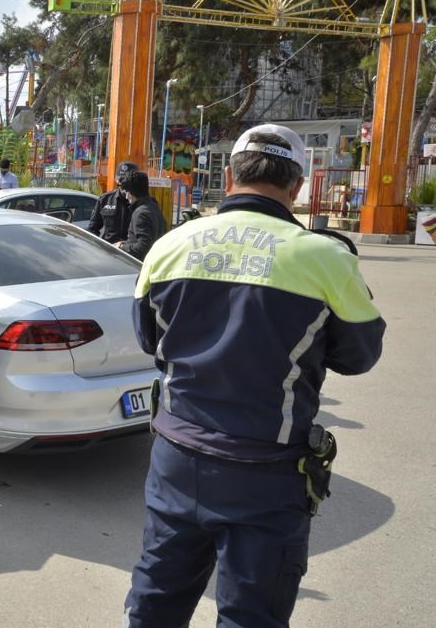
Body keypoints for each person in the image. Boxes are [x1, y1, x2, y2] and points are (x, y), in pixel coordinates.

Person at [122, 124, 386, 627]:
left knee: (155, 601)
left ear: (228, 175)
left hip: (175, 459)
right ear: (298, 186)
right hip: (266, 471)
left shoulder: (171, 245)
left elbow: (150, 341)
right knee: (252, 617)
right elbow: (359, 355)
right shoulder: (326, 258)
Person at [114, 170, 167, 261]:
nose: (126, 197)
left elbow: (143, 247)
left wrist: (122, 247)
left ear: (130, 193)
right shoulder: (154, 208)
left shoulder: (140, 213)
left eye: (126, 192)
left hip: (140, 267)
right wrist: (126, 243)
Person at [88, 161, 138, 243]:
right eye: (120, 180)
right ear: (116, 180)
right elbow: (92, 228)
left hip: (132, 252)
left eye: (126, 180)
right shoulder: (105, 199)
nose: (123, 183)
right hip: (108, 250)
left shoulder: (143, 203)